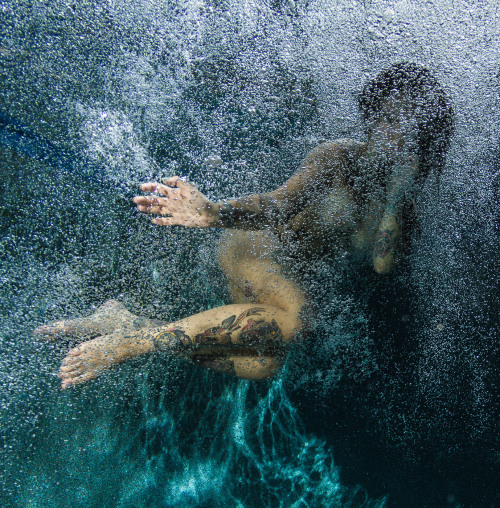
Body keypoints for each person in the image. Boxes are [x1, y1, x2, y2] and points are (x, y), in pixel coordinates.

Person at [35, 62, 454, 389]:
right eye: (388, 119)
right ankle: (134, 343)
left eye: (410, 128)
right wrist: (215, 213)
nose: (395, 135)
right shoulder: (339, 158)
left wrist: (397, 197)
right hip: (256, 248)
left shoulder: (403, 210)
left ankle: (124, 321)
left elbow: (382, 265)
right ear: (372, 117)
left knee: (261, 366)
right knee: (299, 321)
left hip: (285, 274)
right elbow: (278, 204)